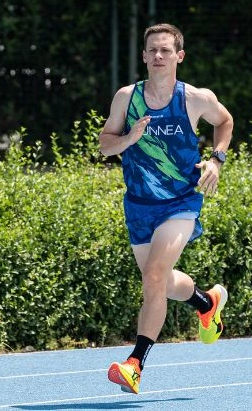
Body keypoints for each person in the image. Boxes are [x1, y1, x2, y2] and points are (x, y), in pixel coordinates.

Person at [98, 23, 234, 394]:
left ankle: (135, 364)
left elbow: (225, 121)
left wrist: (216, 160)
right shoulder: (127, 98)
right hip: (139, 205)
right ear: (143, 56)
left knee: (155, 275)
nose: (158, 56)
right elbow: (104, 146)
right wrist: (128, 138)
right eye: (152, 51)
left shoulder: (194, 98)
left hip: (181, 202)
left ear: (179, 56)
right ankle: (207, 302)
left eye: (165, 51)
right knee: (160, 280)